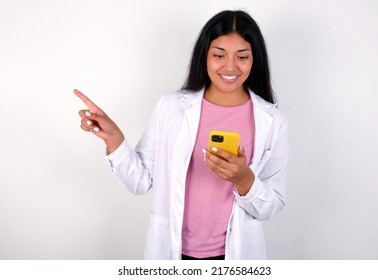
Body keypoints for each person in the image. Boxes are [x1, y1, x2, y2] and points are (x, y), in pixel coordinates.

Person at [75, 10, 288, 260]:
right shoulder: (171, 107)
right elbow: (140, 181)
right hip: (172, 253)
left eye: (242, 57)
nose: (230, 66)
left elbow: (271, 204)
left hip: (235, 256)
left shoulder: (272, 121)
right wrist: (114, 138)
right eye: (219, 55)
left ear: (255, 60)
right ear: (204, 56)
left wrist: (244, 180)